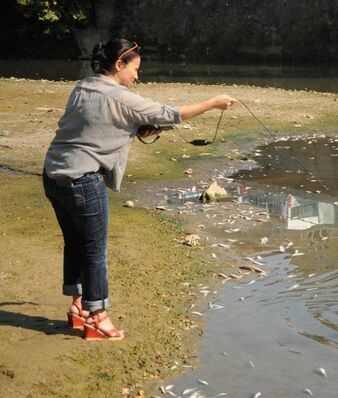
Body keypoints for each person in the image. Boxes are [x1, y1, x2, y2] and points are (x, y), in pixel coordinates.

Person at [43, 38, 237, 341]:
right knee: (94, 251)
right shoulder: (122, 98)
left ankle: (79, 308)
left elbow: (96, 123)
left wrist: (136, 128)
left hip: (53, 175)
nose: (137, 76)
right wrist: (213, 103)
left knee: (76, 244)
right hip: (83, 180)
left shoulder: (83, 86)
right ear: (119, 63)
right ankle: (98, 317)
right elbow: (170, 113)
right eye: (135, 69)